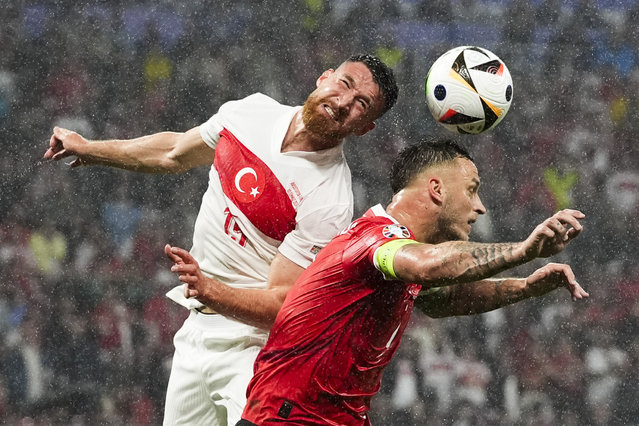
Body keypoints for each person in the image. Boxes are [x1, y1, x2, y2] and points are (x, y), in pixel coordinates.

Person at [43, 54, 399, 425]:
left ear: (365, 128)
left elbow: (282, 304)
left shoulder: (330, 200)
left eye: (362, 104)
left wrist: (210, 289)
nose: (343, 103)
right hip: (196, 332)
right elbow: (174, 152)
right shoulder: (252, 111)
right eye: (344, 84)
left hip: (254, 350)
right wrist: (90, 149)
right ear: (324, 77)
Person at [190, 138, 585, 426]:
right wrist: (523, 250)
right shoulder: (374, 240)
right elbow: (430, 267)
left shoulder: (399, 255)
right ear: (436, 189)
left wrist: (525, 287)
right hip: (288, 419)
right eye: (472, 190)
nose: (480, 206)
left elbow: (440, 297)